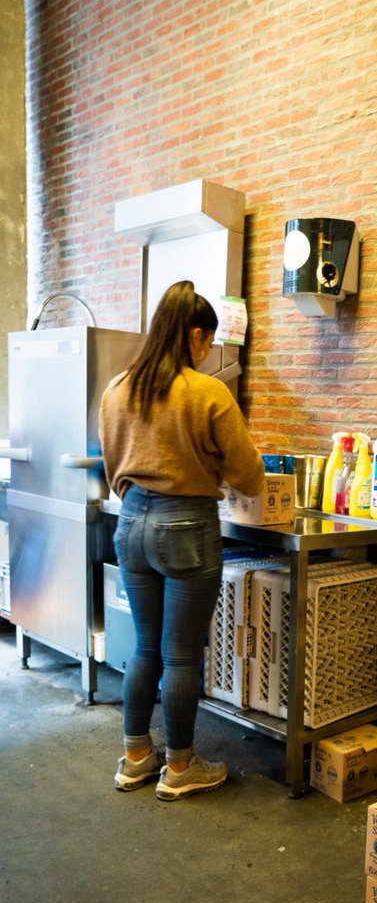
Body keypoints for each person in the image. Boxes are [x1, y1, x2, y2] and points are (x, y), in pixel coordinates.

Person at [99, 280, 265, 800]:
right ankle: (180, 766)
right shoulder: (207, 391)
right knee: (181, 656)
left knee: (145, 647)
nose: (207, 350)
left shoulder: (117, 387)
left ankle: (135, 757)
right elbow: (249, 476)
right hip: (187, 526)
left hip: (130, 522)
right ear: (195, 335)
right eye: (208, 341)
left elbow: (111, 464)